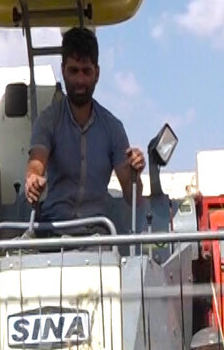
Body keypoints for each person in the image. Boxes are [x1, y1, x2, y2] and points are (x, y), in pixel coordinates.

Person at [24, 27, 146, 225]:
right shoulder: (48, 120)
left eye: (86, 71)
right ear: (63, 70)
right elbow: (36, 162)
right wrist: (32, 180)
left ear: (97, 73)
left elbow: (134, 197)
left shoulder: (113, 128)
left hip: (97, 235)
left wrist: (135, 174)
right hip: (52, 231)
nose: (80, 80)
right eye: (73, 71)